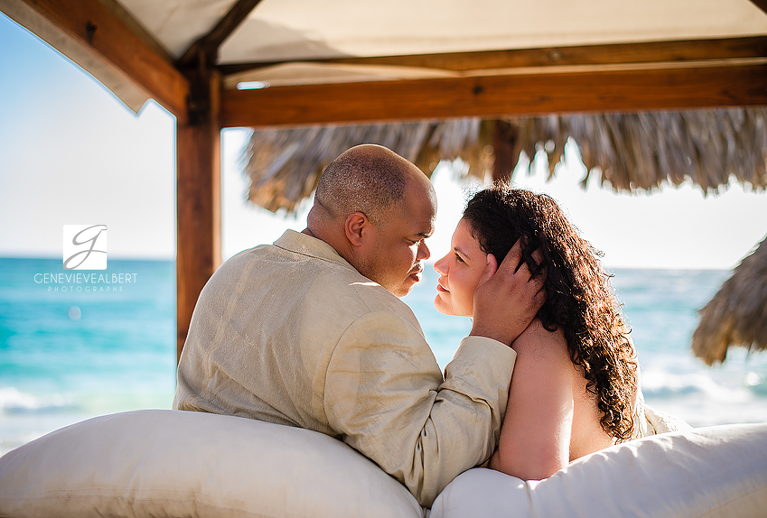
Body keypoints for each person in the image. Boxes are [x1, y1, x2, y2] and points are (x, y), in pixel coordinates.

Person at [173, 144, 545, 507]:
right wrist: (490, 336)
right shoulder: (366, 312)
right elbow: (428, 468)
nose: (427, 256)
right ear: (358, 229)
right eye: (416, 238)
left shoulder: (235, 270)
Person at [434, 185, 643, 481]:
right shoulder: (557, 331)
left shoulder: (538, 343)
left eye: (460, 258)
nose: (439, 265)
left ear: (515, 272)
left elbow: (533, 474)